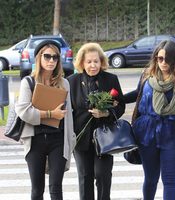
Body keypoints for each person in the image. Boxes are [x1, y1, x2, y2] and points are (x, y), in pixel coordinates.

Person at [124, 40, 175, 200]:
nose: (163, 63)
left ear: (174, 60)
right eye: (159, 58)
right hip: (146, 134)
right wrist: (117, 99)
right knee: (151, 179)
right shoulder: (147, 75)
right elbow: (137, 94)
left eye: (167, 59)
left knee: (169, 181)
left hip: (172, 135)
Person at [15, 40, 76, 200]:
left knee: (56, 188)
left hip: (58, 140)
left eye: (55, 57)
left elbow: (68, 115)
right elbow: (23, 111)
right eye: (47, 56)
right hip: (35, 140)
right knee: (37, 189)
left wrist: (71, 140)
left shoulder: (64, 83)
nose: (51, 61)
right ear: (38, 58)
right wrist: (50, 114)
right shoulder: (28, 82)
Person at [68, 42, 125, 200]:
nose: (93, 65)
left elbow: (120, 106)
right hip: (81, 138)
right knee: (85, 177)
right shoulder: (72, 81)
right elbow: (67, 110)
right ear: (82, 63)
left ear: (101, 62)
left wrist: (106, 113)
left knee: (103, 176)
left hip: (105, 138)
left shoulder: (111, 79)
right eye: (89, 62)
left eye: (96, 61)